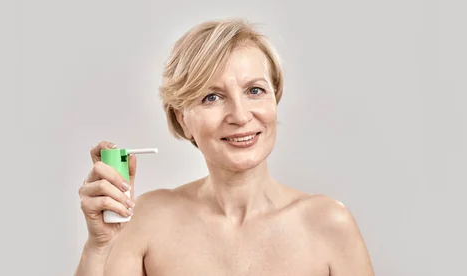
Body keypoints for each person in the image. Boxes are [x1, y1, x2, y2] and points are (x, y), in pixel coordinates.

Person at [74, 18, 375, 276]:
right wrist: (100, 247)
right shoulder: (147, 220)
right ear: (183, 119)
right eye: (212, 97)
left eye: (254, 90)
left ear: (274, 98)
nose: (241, 116)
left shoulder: (329, 225)